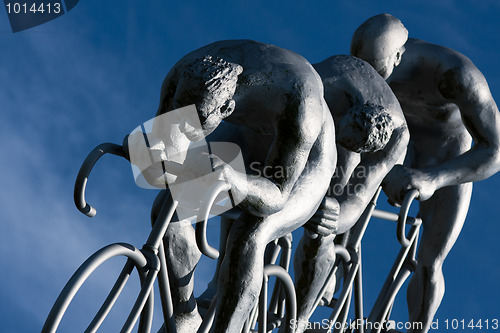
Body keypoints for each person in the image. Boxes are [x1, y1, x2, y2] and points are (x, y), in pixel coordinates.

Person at [145, 39, 337, 333]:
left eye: (194, 124)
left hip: (304, 164)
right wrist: (149, 154)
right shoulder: (183, 71)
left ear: (227, 106)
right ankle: (184, 313)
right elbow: (160, 153)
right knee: (167, 210)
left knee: (250, 235)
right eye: (182, 118)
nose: (186, 131)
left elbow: (276, 196)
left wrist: (236, 182)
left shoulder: (300, 101)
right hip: (245, 135)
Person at [351, 14, 500, 332]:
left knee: (430, 262)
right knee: (337, 210)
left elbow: (495, 151)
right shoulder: (360, 64)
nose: (373, 80)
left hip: (445, 153)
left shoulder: (455, 74)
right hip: (391, 138)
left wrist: (433, 179)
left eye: (380, 72)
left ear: (398, 56)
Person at [292, 55, 409, 333]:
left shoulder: (394, 139)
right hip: (304, 108)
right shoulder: (318, 83)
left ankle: (298, 319)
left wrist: (334, 218)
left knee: (325, 223)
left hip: (348, 134)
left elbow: (356, 199)